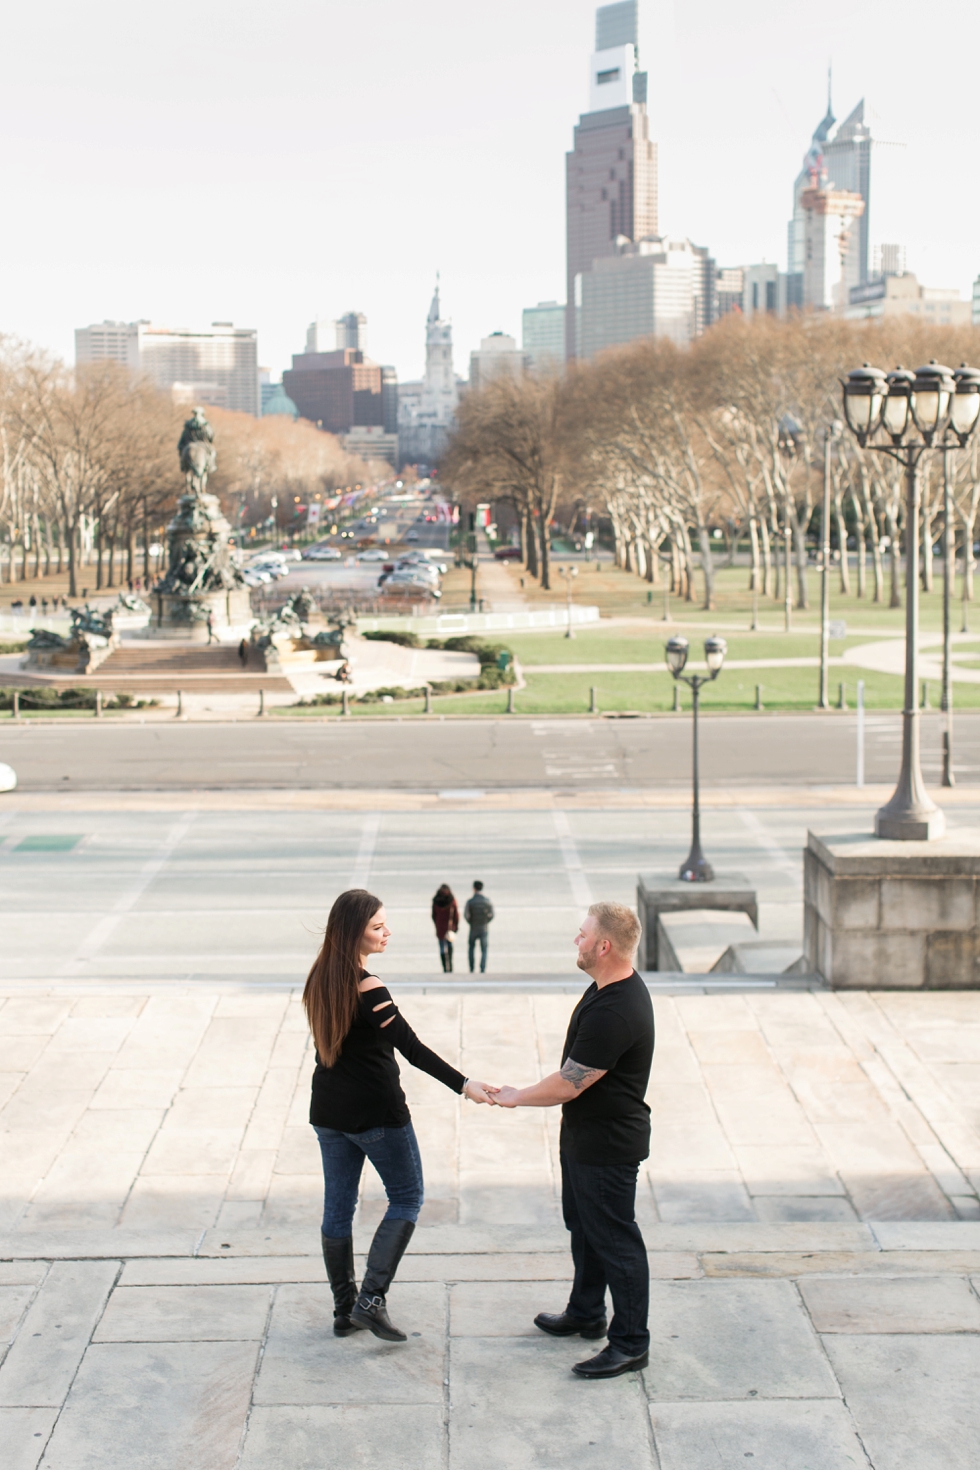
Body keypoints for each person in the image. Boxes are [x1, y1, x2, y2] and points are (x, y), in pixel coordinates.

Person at [303, 888, 495, 1343]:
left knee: (338, 1208)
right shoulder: (369, 987)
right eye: (377, 927)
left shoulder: (319, 978)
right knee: (407, 1197)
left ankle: (343, 1308)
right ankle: (370, 1300)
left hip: (328, 1112)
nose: (387, 932)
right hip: (376, 1113)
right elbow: (412, 1049)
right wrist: (464, 1084)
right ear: (353, 932)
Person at [492, 902, 654, 1381]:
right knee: (584, 1229)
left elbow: (570, 1082)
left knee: (615, 1241)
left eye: (582, 935)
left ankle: (630, 1344)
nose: (576, 941)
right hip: (586, 1137)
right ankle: (586, 1311)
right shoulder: (606, 988)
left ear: (604, 946)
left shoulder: (617, 1010)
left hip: (607, 1146)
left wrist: (516, 1096)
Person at [464, 880, 494, 973]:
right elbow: (492, 914)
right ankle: (482, 968)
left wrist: (471, 922)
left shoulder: (470, 902)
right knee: (484, 950)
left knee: (471, 949)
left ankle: (472, 968)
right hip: (484, 928)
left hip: (473, 928)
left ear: (474, 888)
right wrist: (486, 921)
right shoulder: (487, 901)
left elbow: (466, 915)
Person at [431, 884, 460, 972]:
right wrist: (456, 926)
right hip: (449, 927)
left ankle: (444, 967)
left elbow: (433, 915)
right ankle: (450, 966)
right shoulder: (452, 900)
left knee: (442, 947)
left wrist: (436, 924)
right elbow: (456, 914)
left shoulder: (436, 901)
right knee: (450, 945)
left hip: (440, 927)